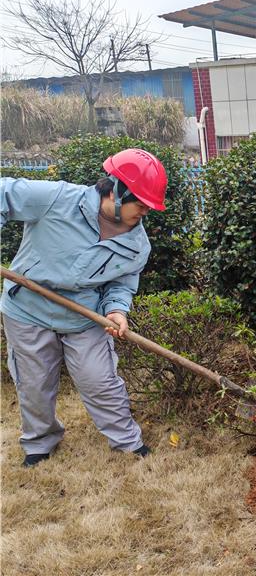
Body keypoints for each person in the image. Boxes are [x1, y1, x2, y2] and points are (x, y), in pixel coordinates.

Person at [1, 148, 168, 467]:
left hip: (83, 317)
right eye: (141, 206)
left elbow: (122, 282)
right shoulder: (56, 199)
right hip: (28, 310)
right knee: (34, 383)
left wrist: (117, 309)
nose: (144, 214)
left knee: (100, 380)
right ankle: (39, 441)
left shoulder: (137, 245)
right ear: (117, 191)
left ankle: (127, 441)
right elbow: (4, 194)